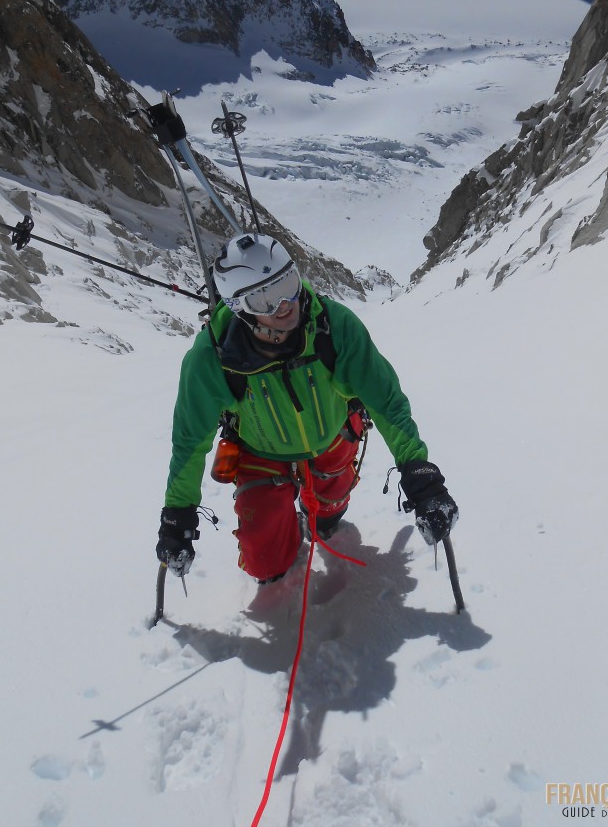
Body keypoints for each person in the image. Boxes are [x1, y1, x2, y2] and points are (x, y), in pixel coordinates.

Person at [156, 233, 458, 584]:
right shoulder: (212, 359)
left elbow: (386, 401)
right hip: (261, 450)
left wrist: (419, 471)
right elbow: (190, 441)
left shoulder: (334, 327)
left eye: (287, 282)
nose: (284, 303)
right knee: (265, 564)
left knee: (329, 516)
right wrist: (178, 512)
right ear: (240, 308)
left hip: (332, 436)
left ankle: (321, 516)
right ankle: (282, 530)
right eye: (264, 298)